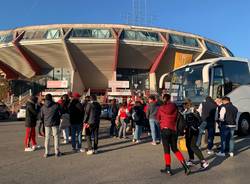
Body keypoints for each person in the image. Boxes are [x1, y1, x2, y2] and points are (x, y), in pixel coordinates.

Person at [157, 94, 190, 176]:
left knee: (166, 150)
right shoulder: (175, 107)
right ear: (170, 99)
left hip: (165, 129)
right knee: (175, 149)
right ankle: (185, 166)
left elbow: (158, 118)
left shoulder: (161, 108)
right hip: (173, 130)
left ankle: (168, 169)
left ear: (163, 99)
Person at [182, 99, 209, 169]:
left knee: (193, 146)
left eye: (184, 104)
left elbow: (199, 120)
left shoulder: (192, 110)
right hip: (189, 131)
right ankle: (191, 159)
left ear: (187, 104)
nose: (183, 106)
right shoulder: (186, 111)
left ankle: (203, 161)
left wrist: (194, 126)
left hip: (192, 131)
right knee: (188, 145)